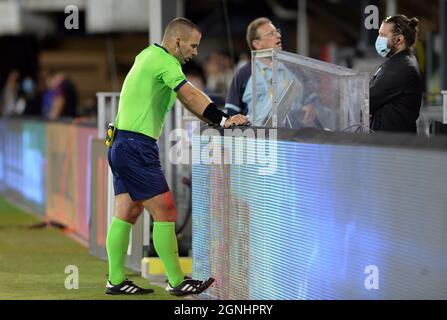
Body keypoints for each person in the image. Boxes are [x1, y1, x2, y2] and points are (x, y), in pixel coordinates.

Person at [105, 17, 248, 296]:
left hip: (122, 143)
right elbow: (190, 96)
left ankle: (115, 279)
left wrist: (214, 119)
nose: (196, 52)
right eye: (193, 46)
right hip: (135, 146)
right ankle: (176, 280)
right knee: (167, 209)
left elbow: (186, 99)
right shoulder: (166, 62)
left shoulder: (147, 54)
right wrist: (222, 120)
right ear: (177, 41)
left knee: (128, 211)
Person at [224, 17, 318, 127]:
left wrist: (310, 105)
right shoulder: (243, 74)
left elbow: (311, 94)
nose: (278, 35)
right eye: (271, 34)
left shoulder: (294, 68)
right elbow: (231, 113)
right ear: (257, 44)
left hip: (294, 137)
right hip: (259, 138)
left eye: (277, 31)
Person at [370, 15, 422, 133]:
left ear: (399, 40)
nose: (379, 38)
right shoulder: (400, 62)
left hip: (392, 144)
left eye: (383, 35)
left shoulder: (401, 66)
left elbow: (369, 99)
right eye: (379, 34)